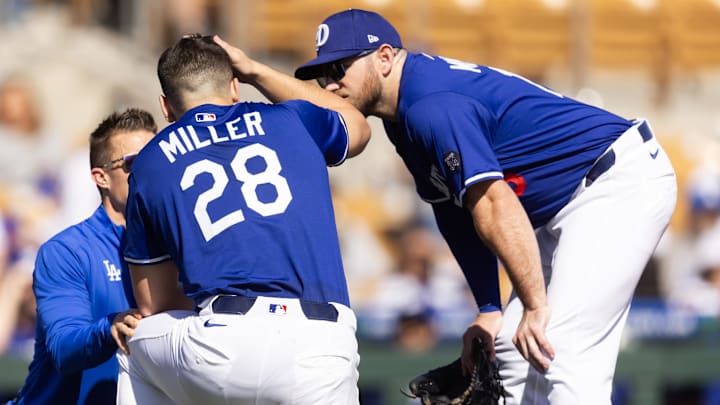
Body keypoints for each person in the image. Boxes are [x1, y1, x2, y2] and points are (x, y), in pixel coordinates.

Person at [293, 9, 677, 404]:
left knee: (558, 346)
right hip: (570, 201)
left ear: (385, 58)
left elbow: (493, 203)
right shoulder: (403, 115)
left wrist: (535, 304)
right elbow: (455, 212)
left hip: (617, 182)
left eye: (340, 68)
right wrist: (490, 307)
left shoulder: (430, 105)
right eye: (322, 74)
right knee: (510, 350)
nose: (330, 84)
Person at [115, 34, 371, 405]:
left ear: (165, 107)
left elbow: (156, 304)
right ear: (235, 87)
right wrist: (255, 69)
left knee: (135, 344)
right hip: (323, 346)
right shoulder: (293, 118)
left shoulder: (150, 161)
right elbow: (357, 126)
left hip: (224, 343)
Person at [7, 108, 155, 404]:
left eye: (158, 159)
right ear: (101, 177)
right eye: (134, 163)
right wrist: (112, 326)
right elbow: (64, 349)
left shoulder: (178, 243)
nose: (151, 170)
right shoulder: (66, 251)